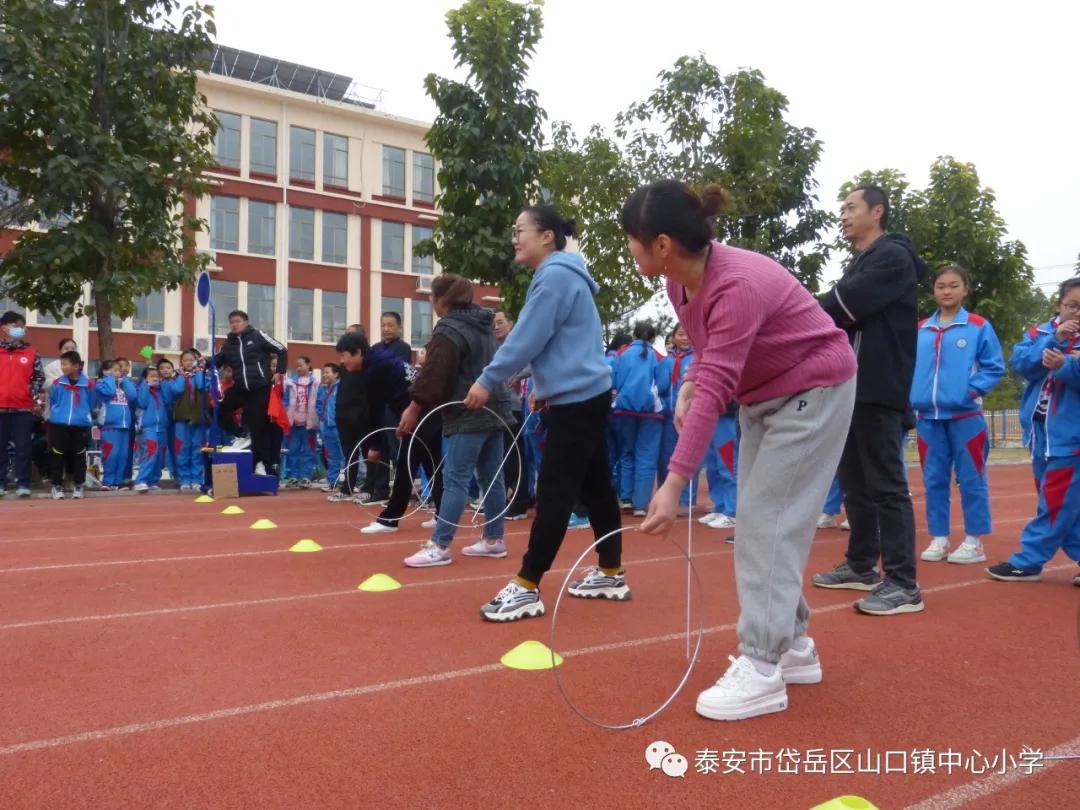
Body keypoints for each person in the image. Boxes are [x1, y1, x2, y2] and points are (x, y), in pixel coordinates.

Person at [625, 180, 857, 722]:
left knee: (764, 522)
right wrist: (687, 384)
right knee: (761, 521)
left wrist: (675, 483)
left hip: (813, 389)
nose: (629, 250)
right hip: (764, 397)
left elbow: (717, 386)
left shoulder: (738, 284)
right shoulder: (678, 285)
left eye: (632, 240)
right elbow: (711, 358)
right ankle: (793, 645)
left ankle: (762, 668)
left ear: (660, 244)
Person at [463, 205, 625, 621]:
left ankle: (528, 584)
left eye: (521, 231)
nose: (515, 238)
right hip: (582, 395)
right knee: (596, 487)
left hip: (578, 400)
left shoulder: (553, 277)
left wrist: (487, 380)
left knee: (554, 489)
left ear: (547, 236)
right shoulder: (564, 276)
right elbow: (557, 343)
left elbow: (527, 338)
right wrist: (543, 387)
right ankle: (610, 570)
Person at [812, 184, 928, 616]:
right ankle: (862, 564)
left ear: (877, 212)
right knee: (855, 482)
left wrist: (797, 309)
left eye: (850, 207)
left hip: (878, 388)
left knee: (886, 486)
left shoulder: (892, 258)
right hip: (851, 387)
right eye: (841, 207)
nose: (842, 215)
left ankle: (903, 582)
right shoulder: (862, 261)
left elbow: (841, 306)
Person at [395, 274, 511, 562]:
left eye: (432, 298)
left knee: (455, 478)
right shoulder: (485, 324)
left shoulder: (449, 329)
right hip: (496, 407)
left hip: (467, 410)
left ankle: (440, 545)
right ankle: (494, 539)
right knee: (490, 478)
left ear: (441, 300)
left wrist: (413, 408)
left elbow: (435, 374)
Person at [987, 277, 1080, 583]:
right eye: (1073, 306)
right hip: (1039, 434)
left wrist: (1065, 366)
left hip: (1071, 438)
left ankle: (1028, 561)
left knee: (1054, 502)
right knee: (1059, 502)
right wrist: (1053, 340)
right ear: (1059, 305)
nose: (1078, 313)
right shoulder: (1039, 332)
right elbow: (1022, 364)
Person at [910, 265, 1004, 564]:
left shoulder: (977, 326)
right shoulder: (920, 328)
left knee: (971, 478)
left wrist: (969, 392)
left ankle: (974, 541)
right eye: (940, 286)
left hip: (966, 419)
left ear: (965, 289)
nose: (946, 291)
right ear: (933, 290)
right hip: (928, 419)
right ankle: (939, 538)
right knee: (934, 479)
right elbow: (907, 366)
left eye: (953, 285)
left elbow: (994, 367)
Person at [333, 331, 409, 503]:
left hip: (419, 407)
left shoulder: (374, 368)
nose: (342, 361)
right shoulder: (372, 363)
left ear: (358, 352)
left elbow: (377, 410)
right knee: (410, 457)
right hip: (406, 408)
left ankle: (394, 504)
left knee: (412, 457)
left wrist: (375, 446)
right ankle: (394, 510)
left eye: (345, 356)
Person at [214, 309, 288, 476]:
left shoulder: (257, 335)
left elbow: (281, 349)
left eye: (238, 321)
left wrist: (279, 371)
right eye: (232, 322)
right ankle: (241, 434)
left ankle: (261, 463)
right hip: (240, 387)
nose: (234, 324)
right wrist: (203, 363)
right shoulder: (228, 344)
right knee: (222, 410)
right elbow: (218, 360)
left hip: (260, 388)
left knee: (258, 426)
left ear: (246, 322)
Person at [611, 321, 669, 517]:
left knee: (626, 452)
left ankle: (625, 498)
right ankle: (640, 503)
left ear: (634, 336)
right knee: (646, 456)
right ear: (653, 338)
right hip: (650, 412)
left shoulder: (622, 355)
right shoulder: (659, 357)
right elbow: (662, 385)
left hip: (623, 410)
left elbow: (615, 381)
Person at [0, 311, 45, 497]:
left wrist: (29, 392)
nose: (20, 329)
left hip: (23, 409)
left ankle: (23, 483)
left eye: (22, 326)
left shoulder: (31, 352)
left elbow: (39, 377)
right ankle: (1, 483)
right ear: (4, 327)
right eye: (16, 325)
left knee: (24, 447)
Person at [47, 350, 93, 499]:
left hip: (80, 425)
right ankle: (56, 485)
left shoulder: (88, 385)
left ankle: (78, 485)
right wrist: (57, 414)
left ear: (76, 366)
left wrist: (83, 415)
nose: (63, 367)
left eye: (65, 364)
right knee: (57, 455)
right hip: (59, 424)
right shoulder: (58, 383)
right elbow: (54, 400)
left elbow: (92, 402)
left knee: (79, 455)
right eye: (62, 364)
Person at [165, 349, 209, 492]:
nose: (188, 363)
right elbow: (177, 390)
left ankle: (196, 479)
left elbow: (201, 386)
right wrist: (181, 376)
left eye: (191, 360)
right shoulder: (177, 377)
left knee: (197, 450)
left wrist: (198, 372)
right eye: (185, 360)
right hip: (181, 419)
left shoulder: (201, 375)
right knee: (182, 450)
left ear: (195, 361)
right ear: (181, 362)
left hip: (197, 418)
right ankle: (184, 479)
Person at [94, 360, 138, 490]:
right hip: (109, 426)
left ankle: (118, 482)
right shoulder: (101, 384)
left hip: (124, 426)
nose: (118, 373)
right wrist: (109, 378)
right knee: (111, 454)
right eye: (115, 370)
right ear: (105, 371)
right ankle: (108, 481)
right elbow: (109, 393)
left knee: (122, 455)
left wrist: (124, 381)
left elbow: (133, 396)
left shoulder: (123, 386)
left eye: (119, 370)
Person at [283, 356, 320, 487]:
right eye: (297, 366)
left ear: (308, 365)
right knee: (293, 450)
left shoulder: (316, 383)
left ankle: (306, 476)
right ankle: (293, 476)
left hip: (309, 424)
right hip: (293, 423)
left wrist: (317, 417)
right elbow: (286, 401)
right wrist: (287, 417)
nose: (298, 368)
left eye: (301, 365)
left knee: (308, 450)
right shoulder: (290, 383)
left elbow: (318, 402)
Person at [133, 367, 169, 492]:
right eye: (151, 376)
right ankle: (141, 480)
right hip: (149, 427)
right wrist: (145, 386)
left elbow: (169, 400)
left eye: (156, 376)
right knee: (151, 452)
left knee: (160, 455)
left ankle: (153, 481)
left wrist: (163, 383)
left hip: (162, 428)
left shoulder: (161, 391)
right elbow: (142, 403)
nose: (154, 378)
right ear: (145, 378)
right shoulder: (143, 389)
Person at [316, 363, 343, 492]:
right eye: (324, 372)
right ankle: (333, 481)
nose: (324, 375)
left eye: (327, 372)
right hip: (326, 426)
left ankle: (355, 480)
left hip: (339, 426)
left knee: (345, 454)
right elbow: (319, 405)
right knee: (331, 456)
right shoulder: (322, 389)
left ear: (336, 374)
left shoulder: (341, 387)